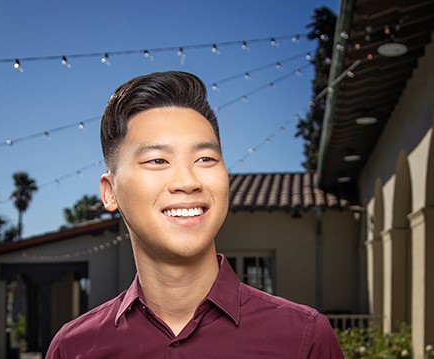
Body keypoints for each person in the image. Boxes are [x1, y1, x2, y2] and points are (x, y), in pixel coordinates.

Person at [46, 71, 344, 358]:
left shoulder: (303, 339)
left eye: (205, 158)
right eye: (158, 160)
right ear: (110, 191)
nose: (188, 182)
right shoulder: (73, 349)